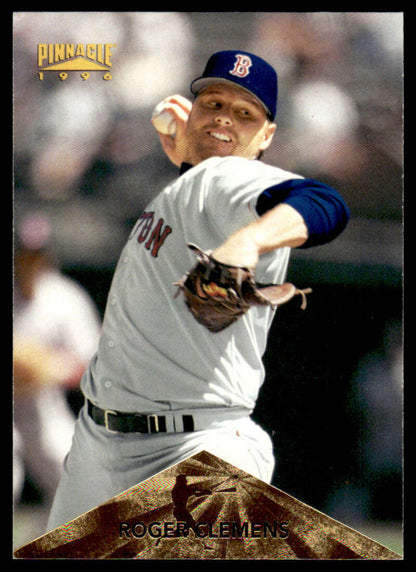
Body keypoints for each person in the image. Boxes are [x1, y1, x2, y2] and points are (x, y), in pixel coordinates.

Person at [47, 50, 349, 531]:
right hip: (102, 441)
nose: (224, 118)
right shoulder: (196, 185)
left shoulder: (230, 176)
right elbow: (204, 189)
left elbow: (324, 202)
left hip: (191, 447)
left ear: (266, 137)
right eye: (213, 104)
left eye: (245, 113)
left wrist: (247, 241)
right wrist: (188, 158)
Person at [13, 213, 102, 509]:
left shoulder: (64, 297)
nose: (29, 260)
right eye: (23, 253)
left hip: (41, 402)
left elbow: (94, 367)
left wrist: (47, 368)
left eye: (36, 253)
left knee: (75, 480)